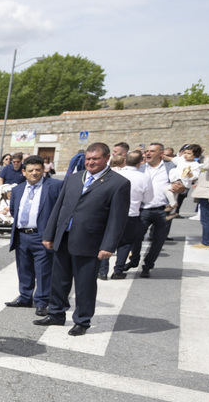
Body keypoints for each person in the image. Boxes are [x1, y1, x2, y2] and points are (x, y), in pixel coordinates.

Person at [35, 142, 130, 335]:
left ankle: (82, 320)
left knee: (85, 284)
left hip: (90, 242)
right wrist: (49, 233)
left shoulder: (118, 183)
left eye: (95, 158)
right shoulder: (74, 178)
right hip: (64, 238)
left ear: (106, 158)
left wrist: (108, 246)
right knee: (59, 280)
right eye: (88, 158)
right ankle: (56, 314)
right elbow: (59, 207)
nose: (91, 162)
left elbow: (117, 219)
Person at [5, 156, 63, 316]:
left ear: (43, 170)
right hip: (22, 235)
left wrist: (53, 234)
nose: (34, 173)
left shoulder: (54, 186)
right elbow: (12, 210)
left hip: (42, 236)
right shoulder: (17, 190)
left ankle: (42, 301)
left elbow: (61, 211)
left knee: (43, 270)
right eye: (30, 170)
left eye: (38, 169)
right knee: (24, 268)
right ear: (24, 172)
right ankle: (25, 297)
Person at [129, 142, 179, 277]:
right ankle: (134, 260)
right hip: (143, 209)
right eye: (147, 151)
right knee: (136, 237)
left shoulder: (171, 167)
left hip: (163, 210)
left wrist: (180, 187)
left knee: (158, 241)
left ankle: (147, 266)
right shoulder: (140, 168)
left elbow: (182, 184)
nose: (148, 153)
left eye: (152, 151)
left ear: (161, 154)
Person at [109, 150, 155, 276]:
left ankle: (102, 271)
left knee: (107, 241)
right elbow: (148, 198)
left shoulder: (115, 174)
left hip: (112, 213)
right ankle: (118, 271)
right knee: (125, 243)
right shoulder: (144, 177)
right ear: (141, 162)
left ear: (125, 161)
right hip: (131, 213)